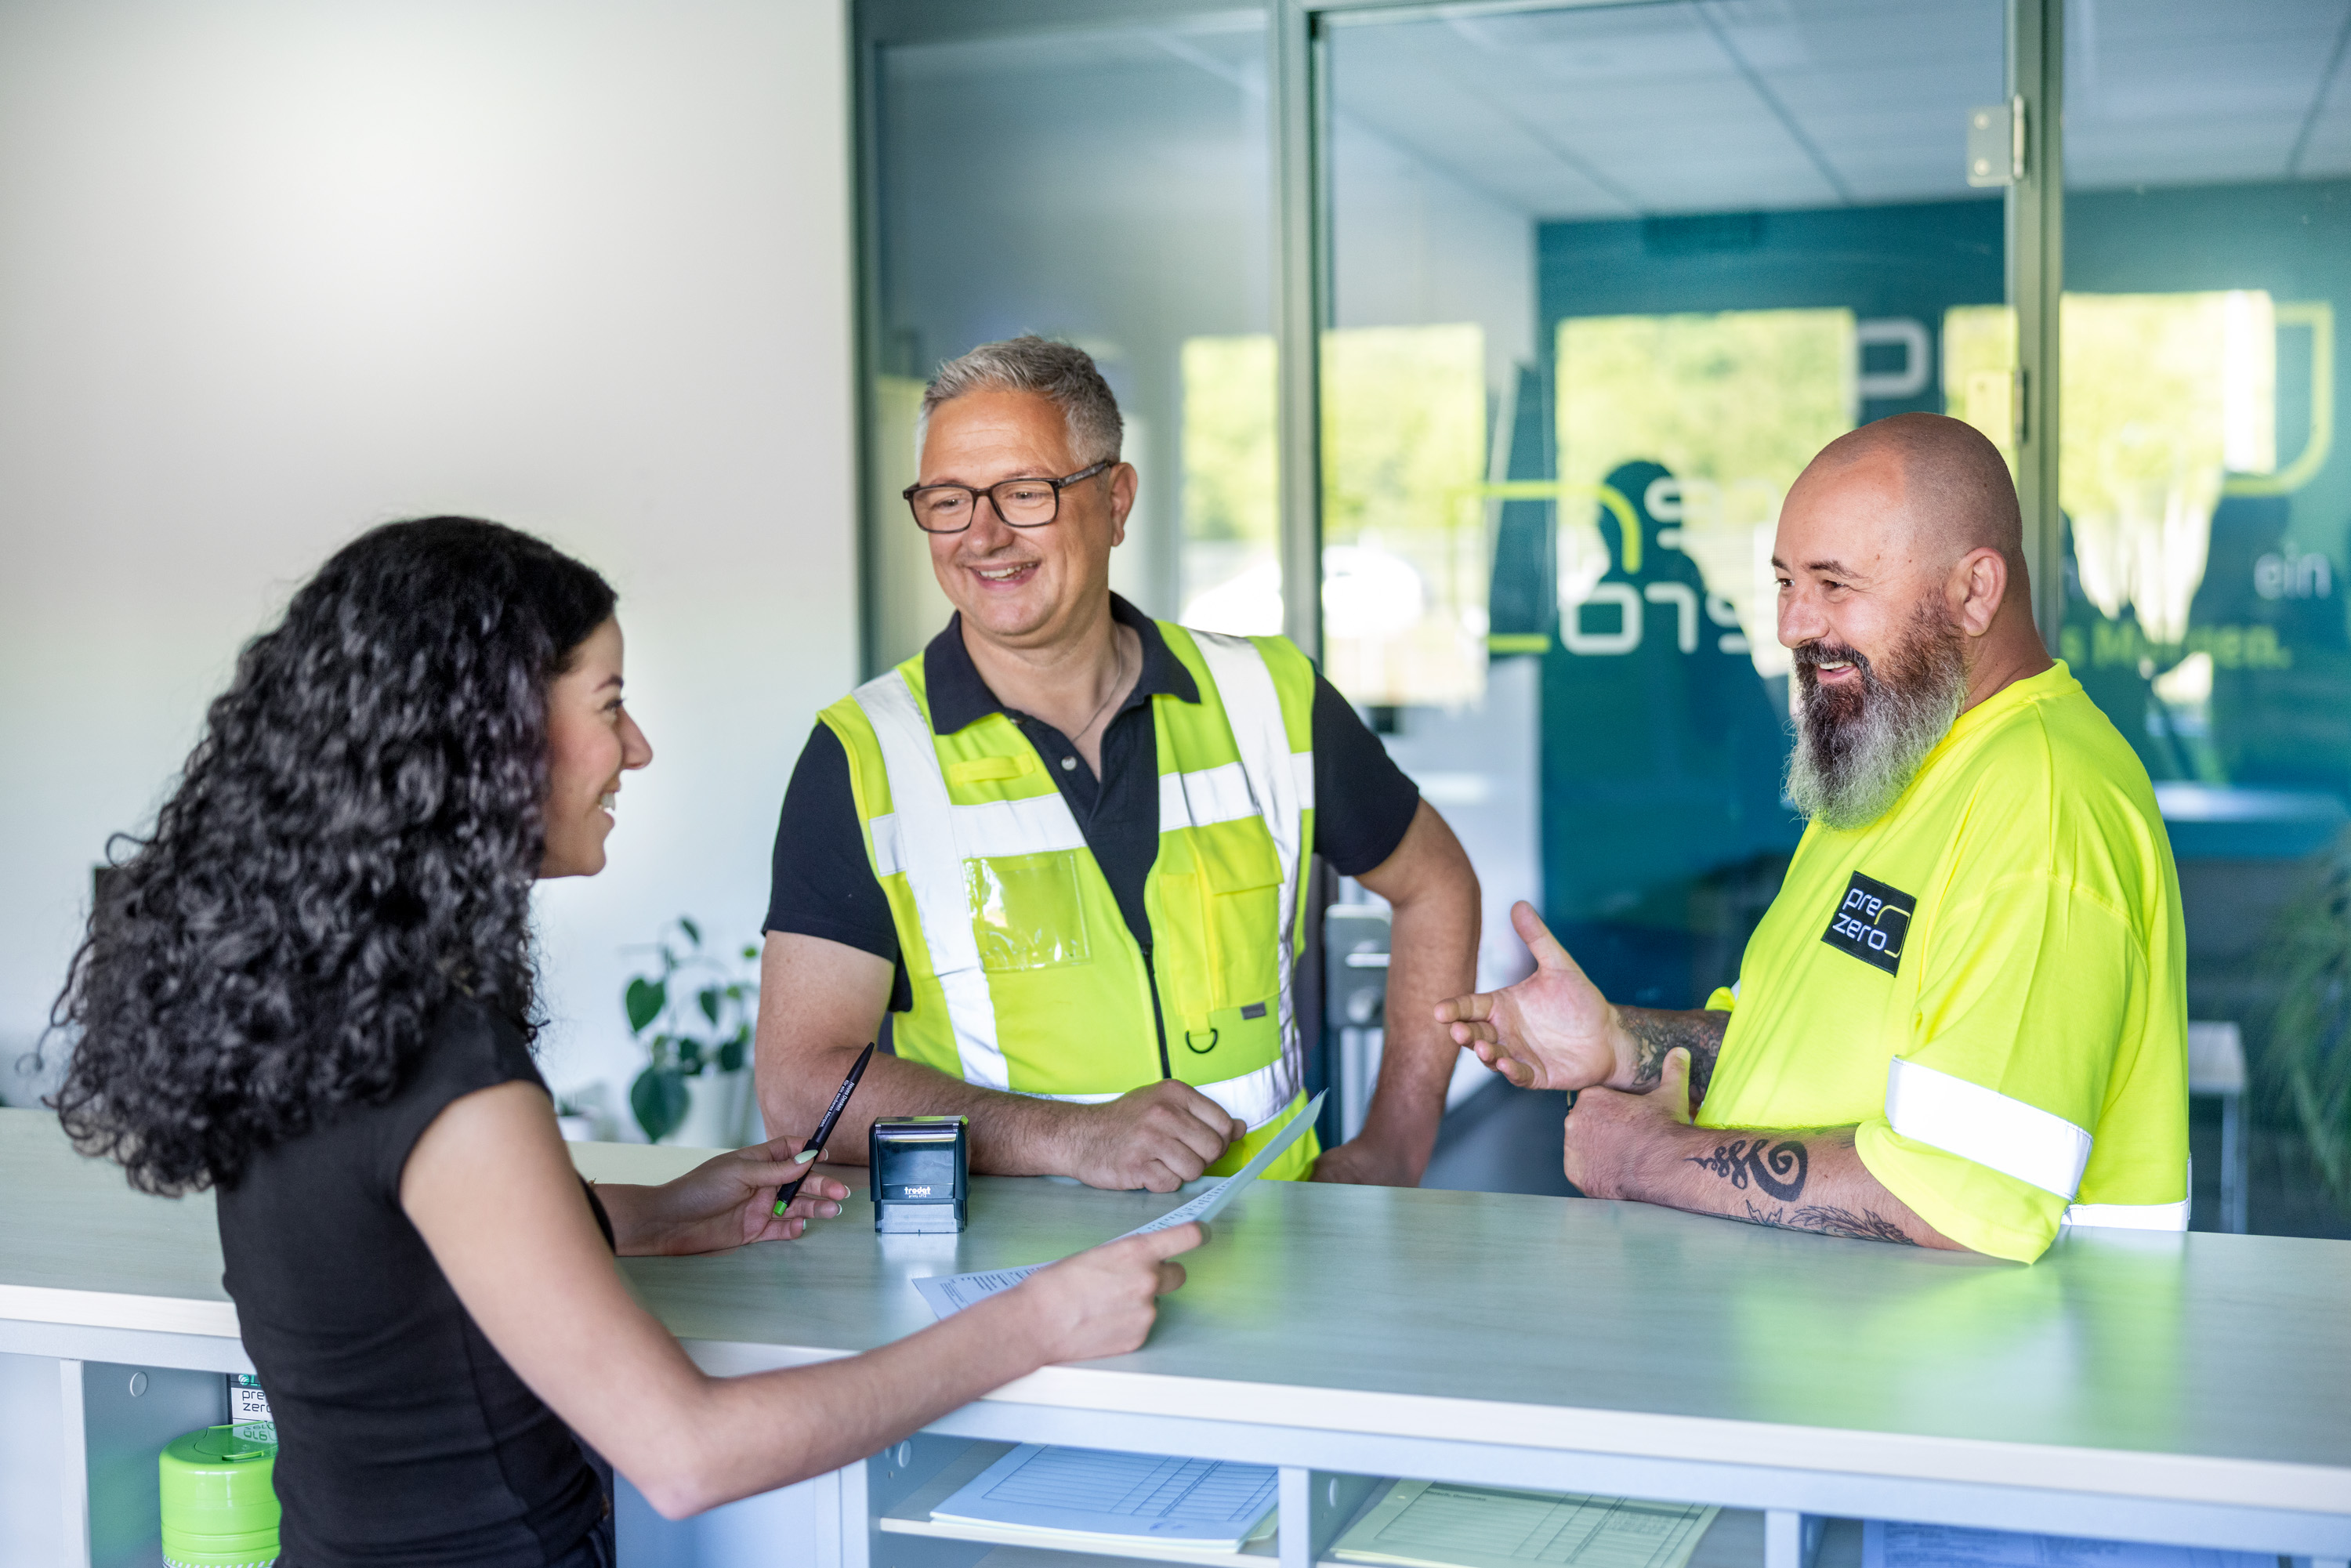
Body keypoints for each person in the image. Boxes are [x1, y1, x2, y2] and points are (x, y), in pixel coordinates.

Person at [49, 518, 1199, 1565]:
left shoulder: (304, 1000)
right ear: (489, 734)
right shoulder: (450, 1072)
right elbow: (687, 1452)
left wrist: (648, 1213)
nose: (637, 748)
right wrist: (1041, 1320)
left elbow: (386, 1263)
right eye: (609, 704)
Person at [1436, 414, 2188, 1264]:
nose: (1794, 625)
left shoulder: (2044, 804)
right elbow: (1796, 1053)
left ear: (1975, 592)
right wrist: (1618, 1041)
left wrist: (1647, 1158)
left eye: (1835, 586)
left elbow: (1964, 1195)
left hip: (1981, 1388)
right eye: (1787, 582)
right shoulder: (1894, 762)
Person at [759, 336, 1480, 1191]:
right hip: (1010, 1293)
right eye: (948, 500)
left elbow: (1437, 885)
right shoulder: (863, 755)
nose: (982, 536)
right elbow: (804, 1086)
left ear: (1117, 498)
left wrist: (1397, 1142)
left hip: (1279, 1271)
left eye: (1024, 493)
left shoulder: (1268, 697)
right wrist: (1068, 1137)